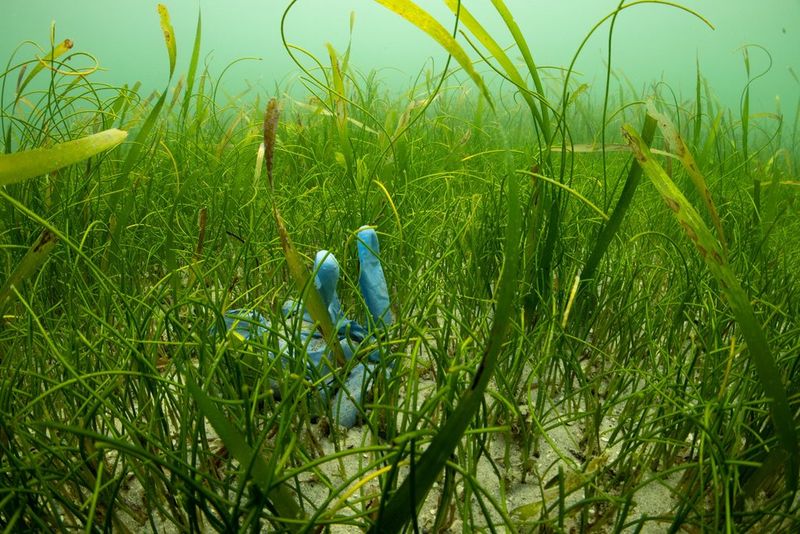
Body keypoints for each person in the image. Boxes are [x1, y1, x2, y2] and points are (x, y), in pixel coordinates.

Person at [218, 226, 393, 428]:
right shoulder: (347, 341)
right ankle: (362, 248)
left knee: (327, 288)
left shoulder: (344, 339)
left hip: (302, 359)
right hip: (303, 357)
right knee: (371, 336)